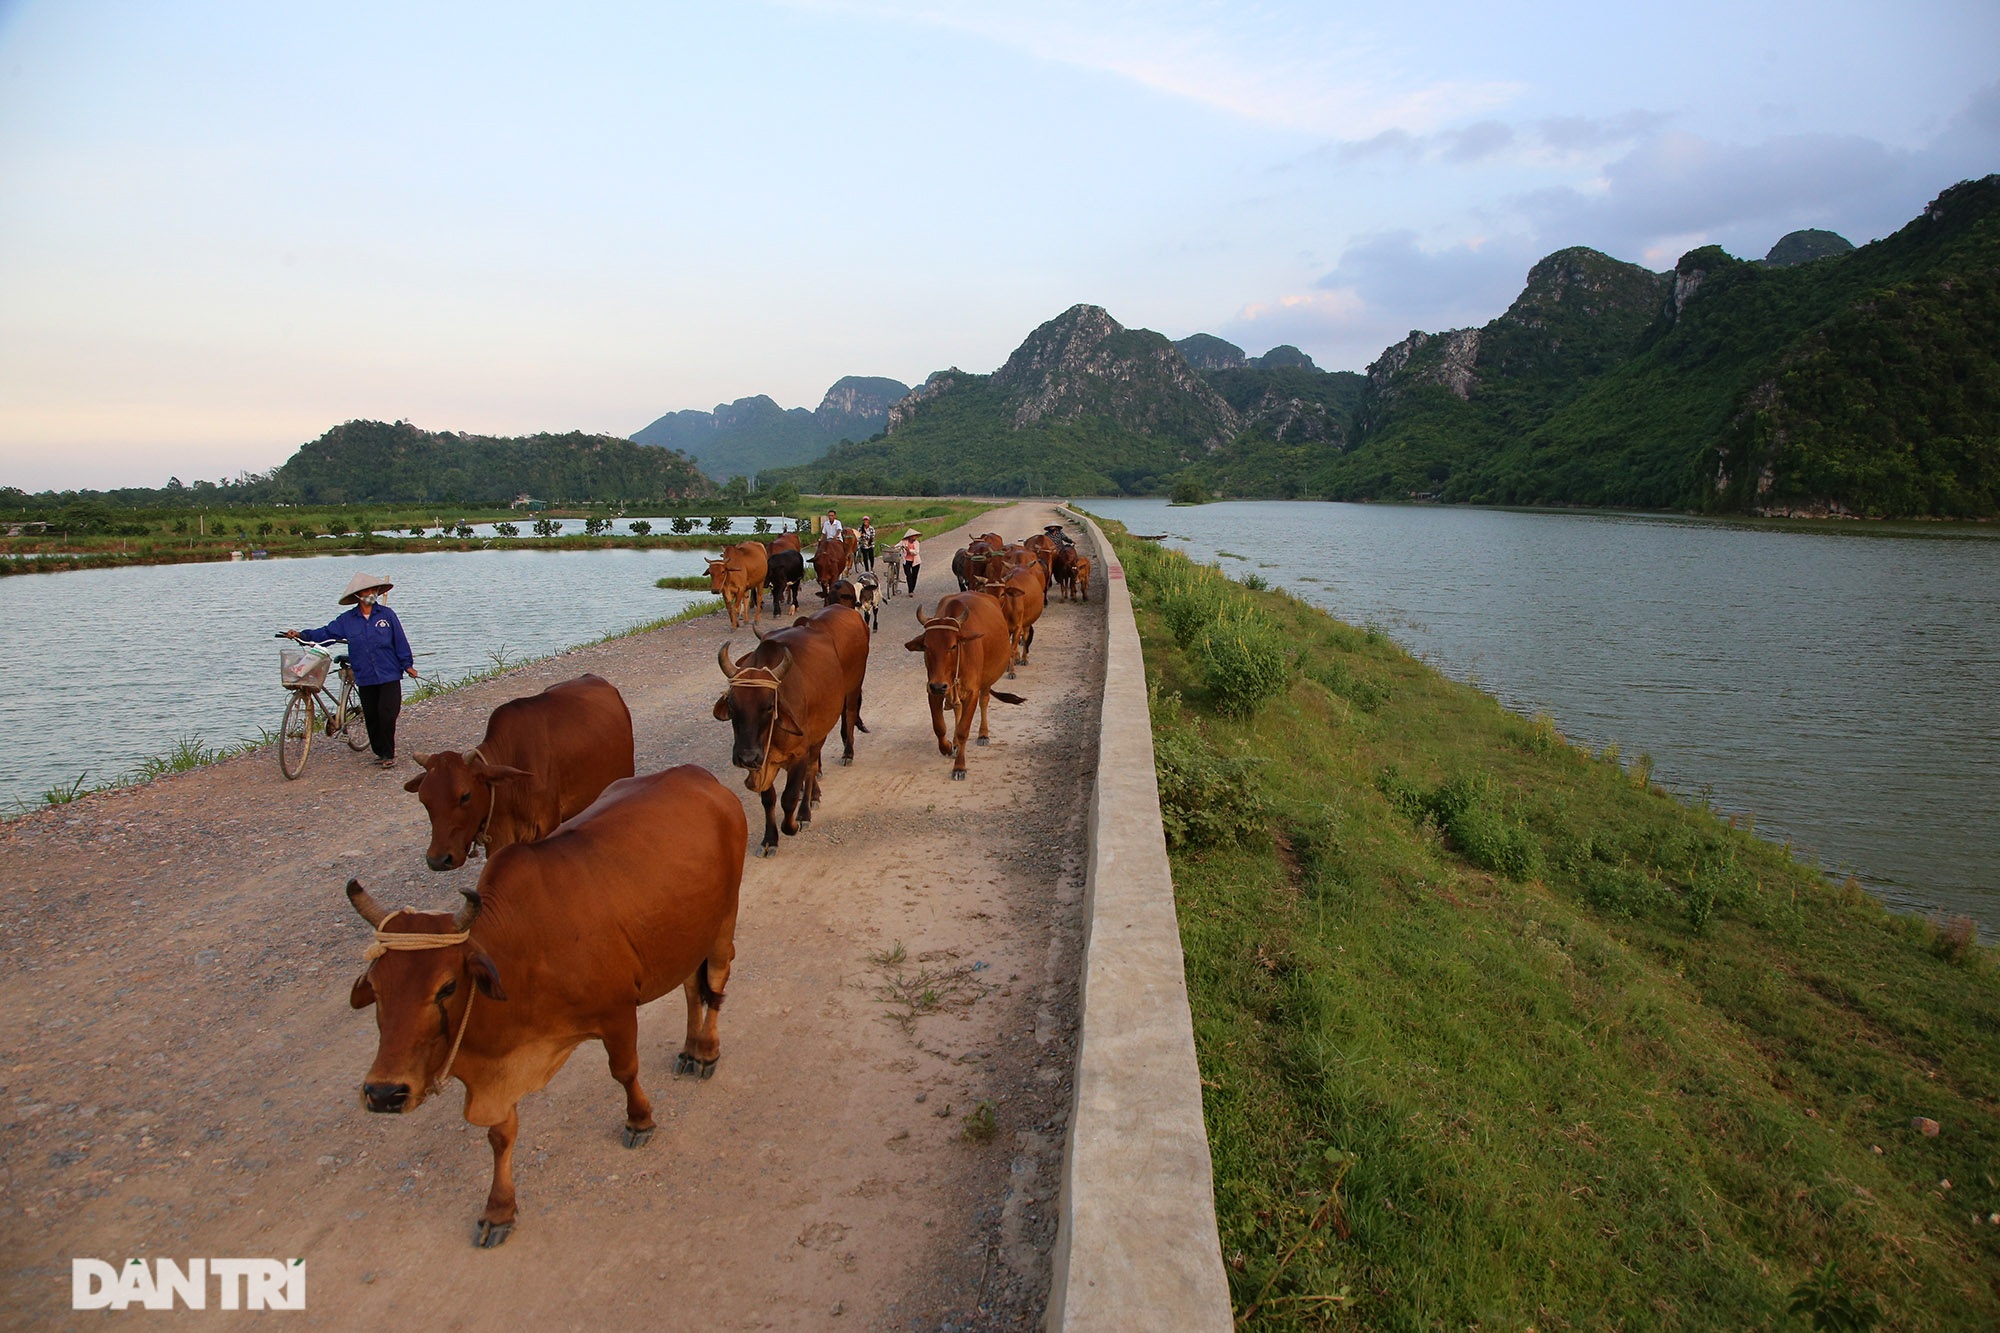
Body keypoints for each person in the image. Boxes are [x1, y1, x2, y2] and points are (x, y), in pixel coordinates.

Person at [283, 572, 417, 769]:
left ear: (377, 592)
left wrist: (408, 665)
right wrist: (301, 634)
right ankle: (381, 752)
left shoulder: (387, 616)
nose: (370, 594)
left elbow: (400, 641)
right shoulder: (347, 620)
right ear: (357, 595)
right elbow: (325, 634)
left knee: (387, 713)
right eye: (365, 591)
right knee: (371, 715)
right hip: (364, 674)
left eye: (373, 590)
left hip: (389, 672)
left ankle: (389, 753)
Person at [897, 528, 921, 596]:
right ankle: (910, 591)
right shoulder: (904, 542)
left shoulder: (916, 543)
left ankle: (912, 589)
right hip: (906, 561)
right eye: (914, 536)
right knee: (908, 575)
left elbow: (916, 552)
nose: (915, 537)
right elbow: (898, 546)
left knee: (914, 575)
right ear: (910, 536)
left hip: (916, 561)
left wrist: (909, 550)